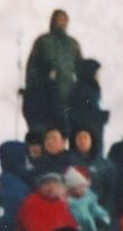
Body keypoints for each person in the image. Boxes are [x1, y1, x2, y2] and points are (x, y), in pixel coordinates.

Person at [24, 10, 82, 140]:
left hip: (67, 97)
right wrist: (31, 91)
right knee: (44, 134)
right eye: (59, 19)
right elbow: (32, 69)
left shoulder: (72, 44)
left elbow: (80, 69)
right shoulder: (43, 41)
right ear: (52, 21)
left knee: (62, 135)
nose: (61, 22)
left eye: (64, 20)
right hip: (45, 97)